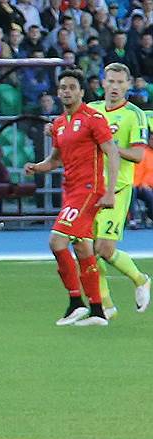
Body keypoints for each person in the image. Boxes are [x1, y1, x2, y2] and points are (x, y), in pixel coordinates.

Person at [24, 69, 120, 327]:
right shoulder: (58, 124)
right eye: (63, 87)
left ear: (81, 92)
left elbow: (112, 152)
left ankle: (76, 302)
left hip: (89, 190)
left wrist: (109, 191)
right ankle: (97, 310)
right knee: (82, 248)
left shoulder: (93, 118)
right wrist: (38, 167)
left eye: (71, 87)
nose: (66, 91)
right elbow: (55, 160)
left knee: (57, 241)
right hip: (71, 191)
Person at [86, 63, 152, 316]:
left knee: (104, 248)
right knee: (86, 249)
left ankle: (140, 279)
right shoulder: (91, 110)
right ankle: (105, 306)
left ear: (128, 85)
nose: (114, 87)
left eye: (120, 82)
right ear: (103, 83)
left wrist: (110, 147)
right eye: (110, 81)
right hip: (88, 188)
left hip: (117, 189)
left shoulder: (135, 115)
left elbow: (138, 155)